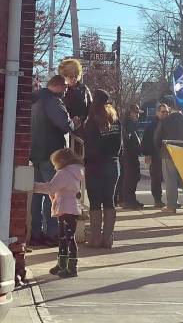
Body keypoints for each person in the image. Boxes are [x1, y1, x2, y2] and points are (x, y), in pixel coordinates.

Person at [30, 75, 80, 247]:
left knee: (37, 195)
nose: (66, 89)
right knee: (53, 194)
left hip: (35, 153)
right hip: (51, 154)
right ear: (57, 86)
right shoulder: (53, 101)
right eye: (65, 87)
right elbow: (65, 125)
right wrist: (74, 123)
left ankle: (35, 233)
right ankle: (52, 234)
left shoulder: (36, 99)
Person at [33, 149, 84, 278]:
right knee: (64, 237)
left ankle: (71, 267)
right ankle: (62, 264)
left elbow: (51, 187)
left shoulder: (64, 173)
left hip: (65, 208)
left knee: (67, 238)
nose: (54, 165)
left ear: (61, 160)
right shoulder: (75, 171)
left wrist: (33, 186)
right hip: (71, 208)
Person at [84, 89, 122, 249]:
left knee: (94, 202)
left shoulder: (92, 121)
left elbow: (90, 145)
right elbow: (120, 146)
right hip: (113, 165)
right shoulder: (116, 121)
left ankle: (95, 238)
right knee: (109, 201)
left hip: (95, 166)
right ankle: (108, 239)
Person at [154, 102, 183, 214]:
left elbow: (157, 138)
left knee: (170, 180)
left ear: (171, 108)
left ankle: (171, 206)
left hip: (169, 153)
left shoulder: (165, 121)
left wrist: (161, 150)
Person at [141, 103, 170, 208]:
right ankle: (157, 199)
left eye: (167, 112)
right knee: (156, 178)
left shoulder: (169, 124)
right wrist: (147, 154)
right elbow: (146, 141)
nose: (165, 114)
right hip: (155, 155)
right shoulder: (152, 125)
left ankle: (171, 200)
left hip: (168, 155)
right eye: (163, 112)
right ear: (157, 112)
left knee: (169, 178)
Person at [121, 104, 144, 209]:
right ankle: (128, 200)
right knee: (131, 177)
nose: (138, 116)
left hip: (132, 154)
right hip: (129, 155)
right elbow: (128, 140)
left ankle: (131, 199)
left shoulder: (132, 124)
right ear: (131, 113)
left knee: (134, 177)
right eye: (136, 113)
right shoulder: (128, 125)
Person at [58, 58, 92, 124]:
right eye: (71, 76)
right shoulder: (60, 90)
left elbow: (90, 106)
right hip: (66, 127)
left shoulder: (84, 88)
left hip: (83, 127)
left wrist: (85, 119)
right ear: (64, 76)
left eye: (76, 76)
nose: (74, 79)